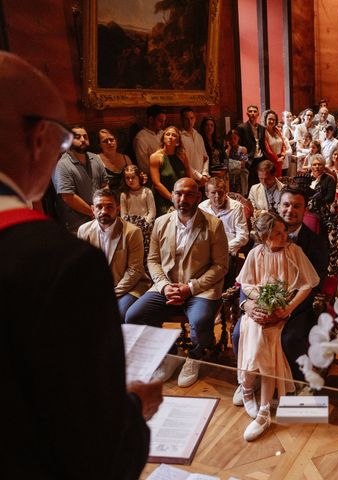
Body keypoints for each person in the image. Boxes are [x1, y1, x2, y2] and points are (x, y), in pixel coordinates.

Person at [0, 50, 161, 480]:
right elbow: (97, 452)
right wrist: (133, 408)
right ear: (39, 139)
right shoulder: (60, 264)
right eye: (64, 141)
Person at [125, 177, 228, 388]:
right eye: (178, 194)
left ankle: (194, 356)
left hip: (200, 289)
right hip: (167, 286)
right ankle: (171, 353)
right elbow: (153, 260)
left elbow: (220, 266)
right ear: (172, 196)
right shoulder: (161, 223)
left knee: (199, 321)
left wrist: (190, 288)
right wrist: (164, 285)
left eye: (189, 194)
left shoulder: (213, 225)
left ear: (198, 197)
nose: (183, 199)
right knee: (134, 315)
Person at [231, 186, 329, 405]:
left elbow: (315, 286)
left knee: (289, 338)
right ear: (278, 206)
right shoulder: (261, 242)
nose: (290, 210)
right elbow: (248, 279)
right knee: (239, 334)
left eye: (297, 206)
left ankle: (292, 382)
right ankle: (249, 378)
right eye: (286, 204)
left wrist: (284, 310)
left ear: (305, 210)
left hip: (297, 307)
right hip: (260, 304)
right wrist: (247, 305)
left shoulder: (316, 243)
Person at [236, 212, 320, 441]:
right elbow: (246, 283)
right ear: (264, 238)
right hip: (259, 309)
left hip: (282, 311)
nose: (286, 235)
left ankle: (256, 397)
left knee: (269, 341)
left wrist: (288, 307)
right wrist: (258, 302)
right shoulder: (255, 254)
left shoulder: (294, 252)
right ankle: (251, 392)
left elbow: (307, 285)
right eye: (278, 234)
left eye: (284, 231)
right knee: (262, 337)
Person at [78, 189, 151, 320]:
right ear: (93, 209)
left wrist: (111, 293)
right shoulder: (83, 231)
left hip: (130, 287)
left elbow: (134, 270)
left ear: (118, 208)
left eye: (109, 207)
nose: (104, 211)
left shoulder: (132, 232)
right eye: (99, 207)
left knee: (118, 313)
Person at [54, 125, 108, 233]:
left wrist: (103, 208)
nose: (83, 140)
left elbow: (104, 185)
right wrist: (93, 212)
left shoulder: (95, 158)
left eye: (85, 137)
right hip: (78, 224)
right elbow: (68, 197)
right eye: (77, 137)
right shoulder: (62, 165)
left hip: (101, 218)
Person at [198, 177, 249, 289]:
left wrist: (223, 248)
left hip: (228, 249)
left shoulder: (236, 207)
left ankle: (225, 295)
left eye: (220, 192)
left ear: (225, 192)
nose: (217, 196)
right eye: (213, 193)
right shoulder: (201, 208)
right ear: (207, 194)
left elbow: (243, 235)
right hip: (207, 249)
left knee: (226, 265)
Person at [149, 125, 193, 216]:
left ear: (177, 141)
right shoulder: (156, 157)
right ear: (163, 138)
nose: (170, 137)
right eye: (167, 134)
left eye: (173, 135)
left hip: (182, 196)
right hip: (164, 199)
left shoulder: (182, 155)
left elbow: (189, 176)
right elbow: (157, 184)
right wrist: (173, 198)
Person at [120, 165, 155, 259]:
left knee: (146, 251)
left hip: (145, 226)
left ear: (138, 177)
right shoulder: (124, 195)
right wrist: (132, 227)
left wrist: (145, 224)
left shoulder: (147, 192)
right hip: (131, 226)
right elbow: (123, 215)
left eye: (133, 177)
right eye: (127, 178)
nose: (130, 180)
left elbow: (152, 212)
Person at [236, 104, 266, 187]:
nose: (252, 113)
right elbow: (239, 146)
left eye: (254, 111)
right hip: (249, 160)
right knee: (250, 185)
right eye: (250, 111)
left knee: (261, 183)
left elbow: (262, 144)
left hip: (261, 159)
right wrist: (244, 161)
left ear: (258, 114)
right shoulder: (242, 127)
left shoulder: (262, 128)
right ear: (247, 114)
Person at [133, 104, 166, 174]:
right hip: (152, 176)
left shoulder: (164, 133)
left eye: (164, 121)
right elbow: (144, 166)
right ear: (151, 119)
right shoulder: (141, 138)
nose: (163, 124)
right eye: (160, 121)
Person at [180, 107, 209, 186]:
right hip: (188, 178)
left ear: (195, 119)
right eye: (186, 119)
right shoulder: (179, 137)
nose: (189, 122)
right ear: (181, 120)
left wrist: (205, 174)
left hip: (202, 179)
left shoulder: (199, 136)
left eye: (191, 118)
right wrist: (199, 177)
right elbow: (184, 162)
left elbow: (205, 157)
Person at [97, 128, 132, 193]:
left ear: (116, 141)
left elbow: (133, 177)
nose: (109, 143)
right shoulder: (96, 160)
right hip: (108, 198)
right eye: (105, 141)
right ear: (100, 145)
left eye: (111, 139)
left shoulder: (126, 158)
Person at [263, 109, 287, 177]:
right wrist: (277, 159)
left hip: (280, 161)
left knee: (279, 181)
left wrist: (283, 156)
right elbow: (267, 149)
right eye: (269, 119)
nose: (272, 121)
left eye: (274, 119)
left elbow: (283, 145)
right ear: (265, 119)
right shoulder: (263, 132)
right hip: (270, 162)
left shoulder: (277, 130)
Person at [225, 128, 249, 196]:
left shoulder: (242, 149)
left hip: (240, 175)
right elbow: (225, 163)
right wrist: (228, 149)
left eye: (235, 138)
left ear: (238, 138)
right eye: (231, 138)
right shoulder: (227, 150)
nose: (233, 140)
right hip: (231, 176)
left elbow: (242, 164)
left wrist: (231, 163)